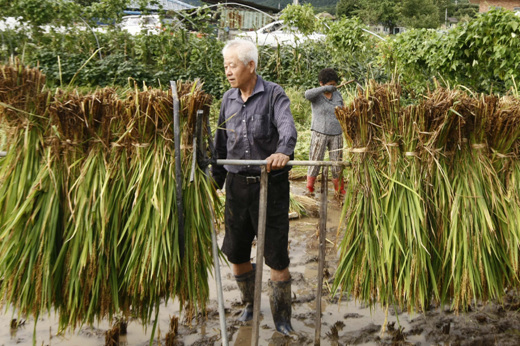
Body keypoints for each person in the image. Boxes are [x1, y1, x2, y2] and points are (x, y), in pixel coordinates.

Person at [211, 39, 298, 335]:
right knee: (235, 253)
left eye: (232, 65)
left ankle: (282, 318)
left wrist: (283, 151)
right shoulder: (228, 99)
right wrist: (214, 181)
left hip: (269, 185)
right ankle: (249, 302)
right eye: (225, 66)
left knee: (275, 254)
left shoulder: (274, 94)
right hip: (237, 187)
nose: (227, 71)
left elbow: (287, 127)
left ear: (251, 66)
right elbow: (220, 142)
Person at [304, 68, 345, 195]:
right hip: (319, 133)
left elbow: (342, 109)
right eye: (330, 84)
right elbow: (307, 94)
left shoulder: (337, 95)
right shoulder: (316, 95)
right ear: (321, 83)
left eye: (335, 84)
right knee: (315, 161)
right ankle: (310, 189)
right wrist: (324, 89)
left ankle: (339, 190)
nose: (334, 87)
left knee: (337, 163)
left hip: (336, 134)